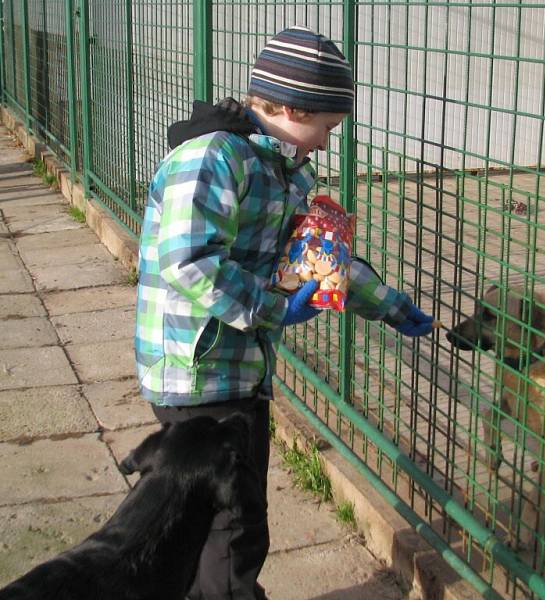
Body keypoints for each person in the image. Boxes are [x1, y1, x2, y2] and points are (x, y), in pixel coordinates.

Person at [134, 26, 434, 600]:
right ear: (295, 108)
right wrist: (271, 306)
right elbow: (187, 261)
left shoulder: (286, 170)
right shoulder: (213, 158)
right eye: (326, 127)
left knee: (213, 511)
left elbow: (318, 263)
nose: (326, 142)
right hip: (198, 370)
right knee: (234, 521)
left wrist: (387, 304)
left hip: (237, 367)